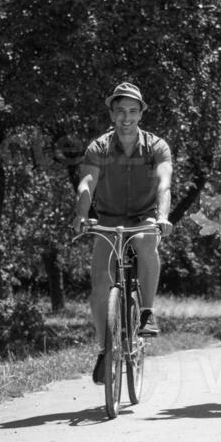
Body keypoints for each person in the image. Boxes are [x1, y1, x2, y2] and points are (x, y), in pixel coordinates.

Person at [75, 82, 174, 385]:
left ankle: (145, 312)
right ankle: (106, 349)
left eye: (132, 111)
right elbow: (87, 183)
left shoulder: (157, 146)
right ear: (112, 113)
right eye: (120, 112)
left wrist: (163, 216)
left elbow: (164, 184)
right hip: (108, 217)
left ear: (141, 113)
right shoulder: (99, 147)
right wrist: (81, 213)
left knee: (146, 243)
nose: (126, 118)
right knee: (99, 288)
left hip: (144, 216)